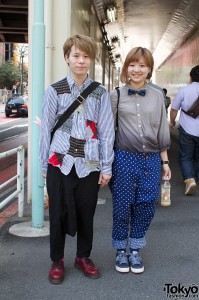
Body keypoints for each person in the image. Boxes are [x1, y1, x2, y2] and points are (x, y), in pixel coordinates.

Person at [39, 34, 115, 284]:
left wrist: (106, 166)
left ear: (91, 60)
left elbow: (106, 131)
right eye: (76, 56)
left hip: (89, 164)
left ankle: (83, 256)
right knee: (58, 213)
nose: (81, 61)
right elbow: (46, 129)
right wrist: (43, 165)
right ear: (67, 58)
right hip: (59, 162)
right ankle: (56, 260)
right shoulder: (54, 90)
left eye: (85, 56)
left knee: (86, 212)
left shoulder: (100, 93)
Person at [110, 47, 171, 274]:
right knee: (123, 206)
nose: (137, 70)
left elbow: (162, 131)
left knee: (147, 204)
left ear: (149, 70)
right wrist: (106, 164)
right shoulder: (115, 95)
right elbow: (108, 132)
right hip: (124, 158)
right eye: (132, 65)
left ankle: (135, 248)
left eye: (142, 66)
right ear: (126, 68)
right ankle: (120, 250)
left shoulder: (157, 96)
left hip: (152, 160)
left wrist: (165, 163)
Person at [170, 65, 199, 195]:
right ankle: (193, 178)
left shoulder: (184, 90)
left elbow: (174, 108)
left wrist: (171, 122)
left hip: (187, 129)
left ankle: (189, 179)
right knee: (197, 157)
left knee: (186, 156)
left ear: (191, 76)